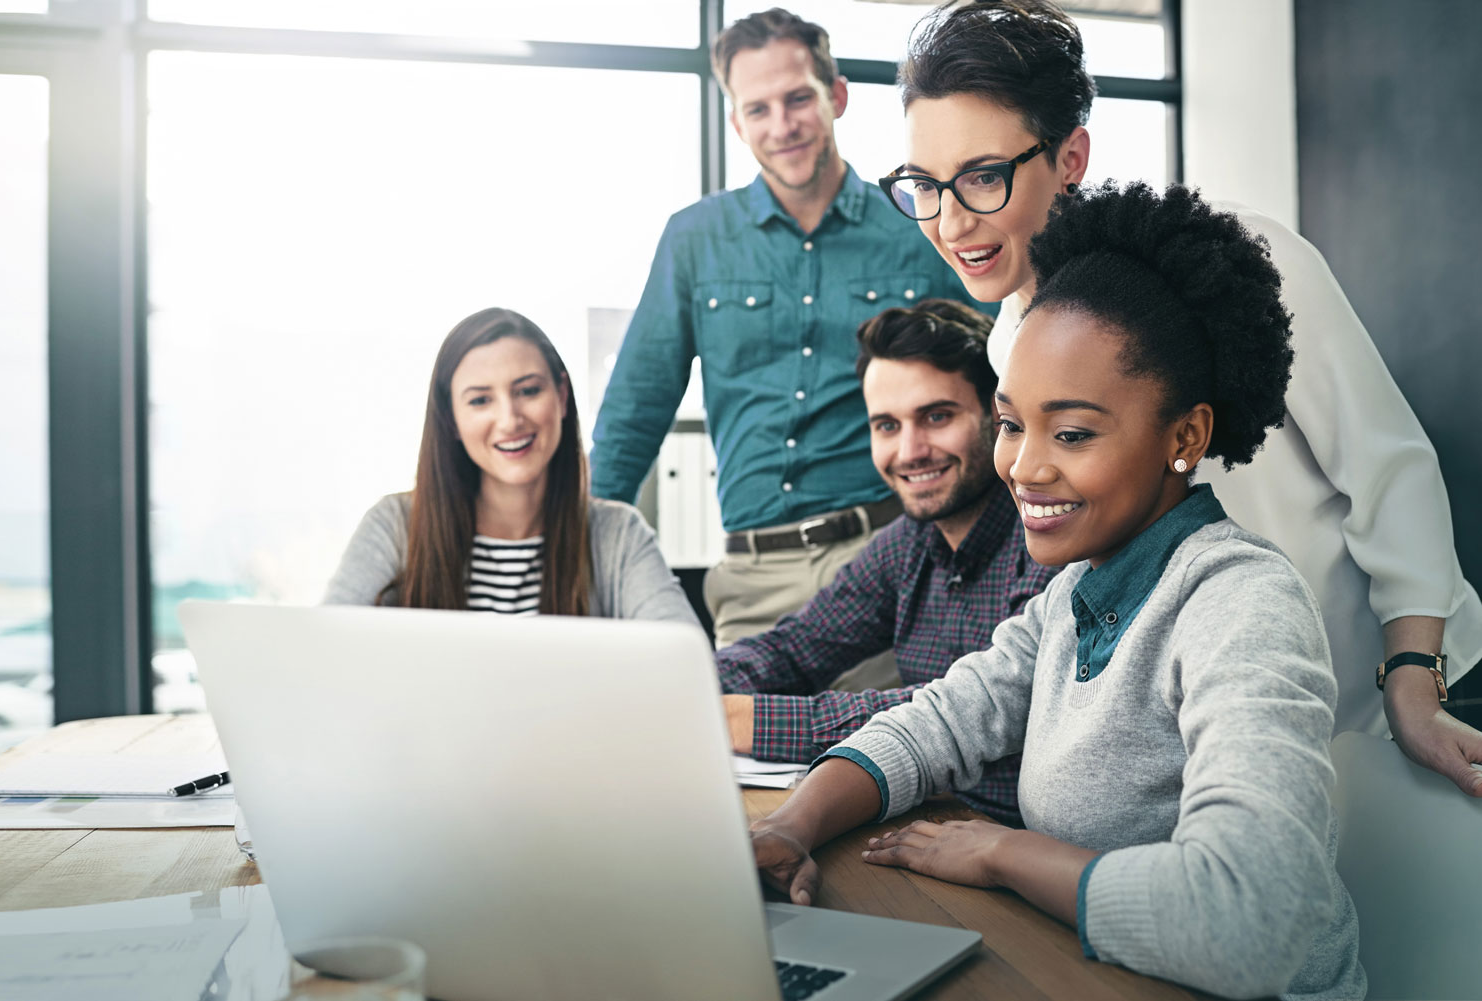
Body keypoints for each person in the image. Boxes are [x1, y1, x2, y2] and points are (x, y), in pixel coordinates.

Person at [752, 183, 1365, 1001]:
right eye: (1012, 423)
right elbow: (938, 719)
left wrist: (1004, 854)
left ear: (1185, 436)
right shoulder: (1074, 592)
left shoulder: (1241, 601)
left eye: (1071, 433)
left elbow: (1248, 922)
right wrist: (792, 825)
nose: (1024, 467)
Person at [879, 0, 1482, 794]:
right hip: (1238, 732)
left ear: (1070, 159)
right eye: (926, 183)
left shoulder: (1244, 262)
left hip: (1399, 699)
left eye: (984, 177)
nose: (952, 220)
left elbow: (1390, 473)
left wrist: (1411, 682)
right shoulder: (1009, 344)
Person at [589, 8, 972, 661]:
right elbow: (632, 417)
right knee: (735, 757)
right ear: (736, 123)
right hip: (750, 580)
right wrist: (581, 568)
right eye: (757, 109)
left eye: (798, 99)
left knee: (870, 757)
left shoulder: (918, 225)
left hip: (890, 562)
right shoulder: (694, 240)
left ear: (838, 96)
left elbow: (991, 380)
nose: (782, 125)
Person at [719, 298, 1055, 824]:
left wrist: (744, 718)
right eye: (887, 426)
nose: (910, 451)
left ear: (999, 415)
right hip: (925, 824)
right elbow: (794, 649)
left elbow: (961, 709)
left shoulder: (1046, 533)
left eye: (937, 416)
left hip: (1016, 841)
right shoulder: (908, 542)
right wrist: (691, 691)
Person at [325, 307, 699, 626]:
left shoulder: (618, 535)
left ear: (562, 396)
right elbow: (323, 657)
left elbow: (689, 671)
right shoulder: (393, 526)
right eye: (480, 400)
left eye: (528, 391)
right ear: (451, 419)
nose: (509, 419)